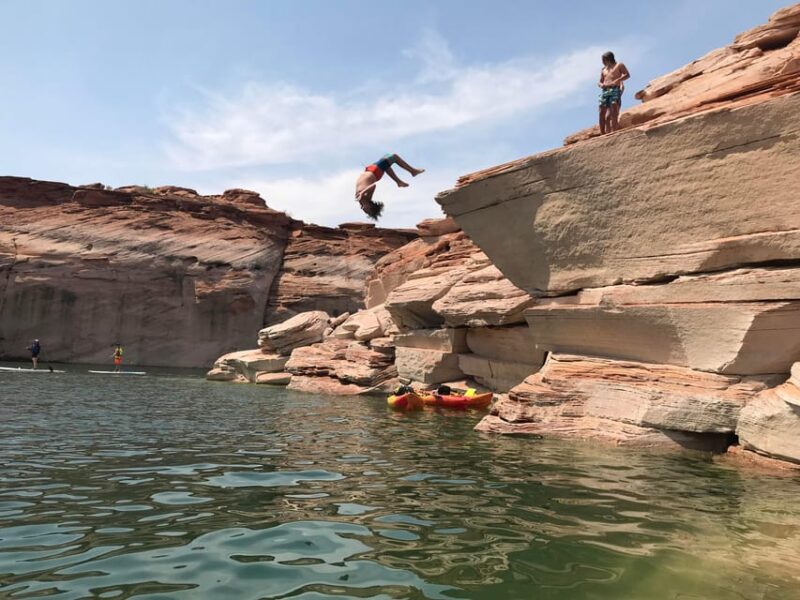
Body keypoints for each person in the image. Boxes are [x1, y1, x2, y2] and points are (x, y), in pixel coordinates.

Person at [355, 153, 424, 220]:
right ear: (370, 206)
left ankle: (398, 181)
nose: (365, 212)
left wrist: (362, 199)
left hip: (370, 170)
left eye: (367, 212)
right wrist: (362, 193)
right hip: (375, 171)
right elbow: (373, 185)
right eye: (368, 212)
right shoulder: (367, 197)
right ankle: (413, 171)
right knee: (394, 156)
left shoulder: (360, 200)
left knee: (387, 162)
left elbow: (369, 187)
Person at [598, 51, 630, 134]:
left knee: (613, 111)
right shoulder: (603, 69)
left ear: (608, 59)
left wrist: (617, 80)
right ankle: (602, 133)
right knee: (602, 110)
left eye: (603, 60)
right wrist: (601, 84)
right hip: (605, 90)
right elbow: (600, 81)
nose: (602, 62)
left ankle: (614, 132)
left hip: (615, 88)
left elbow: (627, 74)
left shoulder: (619, 65)